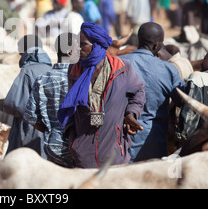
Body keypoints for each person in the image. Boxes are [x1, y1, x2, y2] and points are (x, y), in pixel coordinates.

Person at [58, 22, 146, 168]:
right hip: (82, 152)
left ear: (96, 45)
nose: (77, 48)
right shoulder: (74, 69)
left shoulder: (122, 68)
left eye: (82, 44)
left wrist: (131, 113)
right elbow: (72, 106)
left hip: (114, 153)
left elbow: (139, 90)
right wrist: (73, 139)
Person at [121, 22, 185, 162]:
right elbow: (183, 100)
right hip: (152, 145)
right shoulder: (168, 70)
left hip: (120, 144)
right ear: (157, 46)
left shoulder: (118, 63)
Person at [23, 33, 78, 167]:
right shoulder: (80, 80)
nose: (81, 52)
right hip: (78, 147)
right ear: (71, 52)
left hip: (52, 147)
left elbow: (30, 116)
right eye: (79, 49)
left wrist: (50, 129)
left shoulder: (42, 80)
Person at [1, 35, 53, 158]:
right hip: (50, 130)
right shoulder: (52, 70)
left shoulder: (27, 72)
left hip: (30, 130)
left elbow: (14, 104)